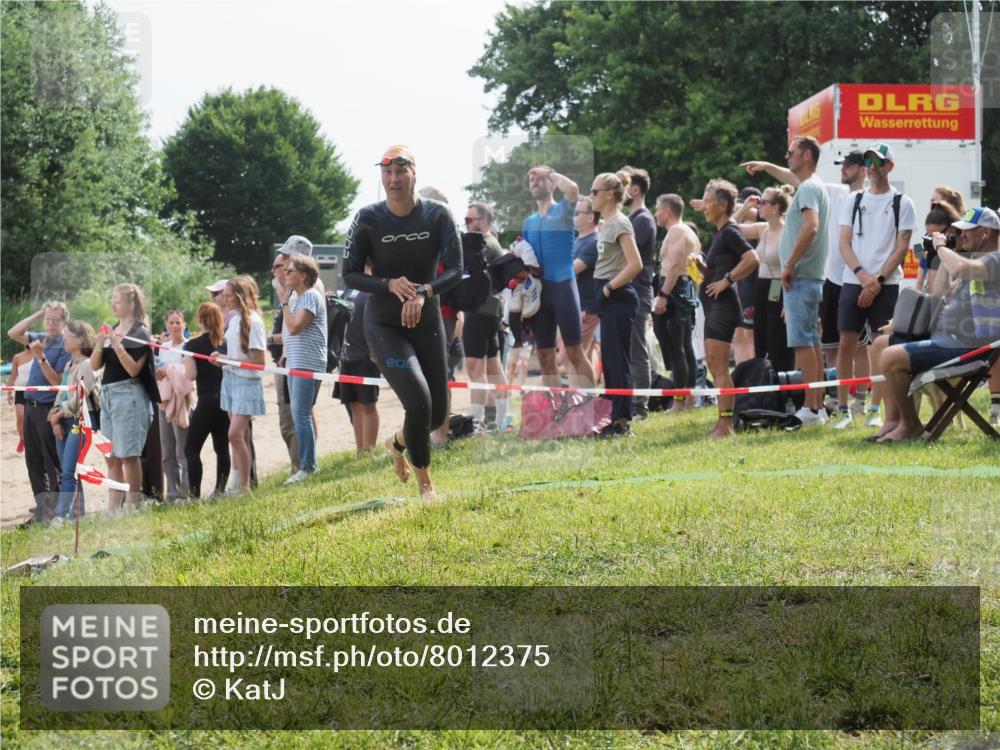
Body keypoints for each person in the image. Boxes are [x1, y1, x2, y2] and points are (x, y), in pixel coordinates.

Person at [341, 145, 462, 498]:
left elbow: (456, 270)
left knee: (437, 415)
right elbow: (349, 275)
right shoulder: (368, 218)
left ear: (414, 173)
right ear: (382, 177)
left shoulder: (438, 216)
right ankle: (426, 487)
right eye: (387, 172)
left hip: (426, 319)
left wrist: (423, 291)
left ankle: (397, 444)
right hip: (383, 323)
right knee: (419, 402)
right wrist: (388, 284)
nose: (393, 179)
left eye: (401, 171)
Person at [875, 206, 1000, 442]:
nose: (961, 236)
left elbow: (962, 268)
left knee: (890, 357)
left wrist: (942, 247)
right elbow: (939, 291)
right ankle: (894, 420)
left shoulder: (995, 259)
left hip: (969, 347)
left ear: (985, 232)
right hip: (945, 338)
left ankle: (911, 425)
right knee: (880, 345)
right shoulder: (973, 258)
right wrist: (943, 254)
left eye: (967, 232)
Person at [833, 143, 916, 429]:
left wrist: (877, 280)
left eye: (878, 162)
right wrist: (861, 275)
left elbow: (901, 246)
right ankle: (843, 409)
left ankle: (874, 408)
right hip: (853, 279)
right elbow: (844, 241)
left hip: (887, 283)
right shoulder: (854, 199)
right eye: (868, 162)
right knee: (846, 342)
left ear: (889, 166)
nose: (872, 167)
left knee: (880, 345)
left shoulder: (902, 202)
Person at [521, 164, 597, 389]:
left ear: (552, 183)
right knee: (544, 354)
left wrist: (549, 172)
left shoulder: (563, 210)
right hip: (540, 294)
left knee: (575, 352)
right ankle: (554, 414)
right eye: (531, 179)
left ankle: (588, 410)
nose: (534, 181)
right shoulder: (529, 223)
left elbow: (572, 189)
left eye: (540, 178)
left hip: (563, 287)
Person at [699, 179, 760, 438]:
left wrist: (727, 280)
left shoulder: (731, 231)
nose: (703, 207)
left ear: (722, 205)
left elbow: (752, 258)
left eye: (707, 202)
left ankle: (727, 426)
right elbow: (719, 269)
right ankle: (722, 422)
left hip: (724, 307)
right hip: (714, 306)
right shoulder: (719, 233)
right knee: (714, 365)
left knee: (719, 366)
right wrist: (703, 270)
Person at [90, 284, 159, 509]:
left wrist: (117, 343)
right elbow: (95, 366)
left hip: (129, 393)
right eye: (112, 299)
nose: (113, 304)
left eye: (117, 300)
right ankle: (113, 507)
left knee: (129, 454)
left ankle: (132, 505)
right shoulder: (114, 327)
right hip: (108, 394)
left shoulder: (140, 332)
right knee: (111, 457)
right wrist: (100, 344)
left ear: (131, 304)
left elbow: (133, 369)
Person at [7, 302, 73, 521]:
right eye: (48, 319)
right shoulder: (42, 337)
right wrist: (38, 314)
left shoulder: (65, 345)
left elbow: (57, 381)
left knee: (52, 462)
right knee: (33, 461)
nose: (51, 324)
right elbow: (13, 332)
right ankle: (42, 508)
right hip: (30, 407)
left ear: (65, 322)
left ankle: (56, 510)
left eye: (56, 320)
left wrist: (41, 357)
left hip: (48, 408)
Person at [590, 171, 644, 436]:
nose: (591, 197)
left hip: (619, 296)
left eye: (594, 191)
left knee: (618, 360)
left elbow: (636, 264)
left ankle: (623, 421)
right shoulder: (605, 224)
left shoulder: (620, 223)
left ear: (609, 194)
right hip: (606, 296)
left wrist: (610, 288)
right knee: (609, 362)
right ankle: (612, 419)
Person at [735, 186, 796, 373]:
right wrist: (745, 207)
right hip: (761, 286)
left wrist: (789, 303)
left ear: (776, 207)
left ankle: (782, 382)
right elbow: (730, 226)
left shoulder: (788, 231)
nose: (759, 206)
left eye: (764, 202)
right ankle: (763, 381)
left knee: (777, 338)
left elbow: (795, 267)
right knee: (759, 336)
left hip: (780, 285)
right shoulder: (763, 229)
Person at [278, 254, 327, 483]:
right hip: (295, 362)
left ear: (304, 275)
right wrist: (285, 354)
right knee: (298, 415)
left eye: (289, 270)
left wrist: (284, 303)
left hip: (308, 363)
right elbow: (290, 333)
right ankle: (306, 465)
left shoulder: (309, 296)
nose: (284, 274)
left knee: (301, 414)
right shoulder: (297, 298)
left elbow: (295, 327)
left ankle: (308, 467)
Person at [217, 275, 267, 495]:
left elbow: (259, 362)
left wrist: (228, 360)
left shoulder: (254, 321)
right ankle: (238, 482)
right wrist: (220, 358)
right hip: (230, 378)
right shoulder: (234, 319)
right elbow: (234, 353)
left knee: (234, 434)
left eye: (228, 296)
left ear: (239, 296)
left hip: (246, 382)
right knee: (241, 436)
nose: (225, 300)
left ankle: (245, 486)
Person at [462, 202, 509, 429]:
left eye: (470, 220)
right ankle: (500, 419)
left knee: (474, 367)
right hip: (490, 311)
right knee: (493, 367)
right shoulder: (493, 243)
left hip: (480, 311)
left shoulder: (485, 244)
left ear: (484, 221)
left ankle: (475, 421)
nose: (466, 225)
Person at [46, 320, 98, 523]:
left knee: (68, 471)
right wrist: (54, 417)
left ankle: (61, 516)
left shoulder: (87, 364)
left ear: (80, 339)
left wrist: (59, 414)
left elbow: (80, 399)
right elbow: (61, 394)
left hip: (80, 422)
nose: (64, 339)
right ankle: (79, 515)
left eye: (67, 335)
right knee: (71, 471)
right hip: (64, 421)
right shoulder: (69, 365)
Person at [652, 194, 700, 411]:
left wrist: (662, 294)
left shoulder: (678, 231)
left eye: (657, 209)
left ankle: (681, 401)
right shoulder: (688, 231)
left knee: (676, 347)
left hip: (674, 290)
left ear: (668, 211)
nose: (655, 214)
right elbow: (696, 271)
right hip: (683, 288)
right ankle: (689, 398)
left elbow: (672, 267)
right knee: (684, 347)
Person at [620, 165, 657, 418]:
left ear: (634, 189)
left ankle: (640, 406)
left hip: (638, 291)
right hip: (628, 291)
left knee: (637, 349)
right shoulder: (631, 219)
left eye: (622, 185)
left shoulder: (642, 220)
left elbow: (627, 257)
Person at [183, 302, 230, 498]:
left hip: (205, 402)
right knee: (222, 447)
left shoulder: (191, 345)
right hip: (225, 400)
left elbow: (191, 375)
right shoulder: (226, 344)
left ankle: (194, 495)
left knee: (191, 449)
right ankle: (219, 491)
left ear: (199, 320)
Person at [335, 286, 381, 454]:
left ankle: (369, 450)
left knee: (368, 404)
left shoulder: (372, 288)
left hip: (366, 356)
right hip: (347, 356)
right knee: (353, 404)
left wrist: (376, 350)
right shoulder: (348, 289)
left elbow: (378, 321)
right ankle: (360, 449)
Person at [155, 309, 191, 500]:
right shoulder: (163, 347)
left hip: (181, 401)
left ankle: (185, 493)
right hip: (164, 400)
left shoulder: (188, 346)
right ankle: (171, 492)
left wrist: (170, 370)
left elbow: (188, 374)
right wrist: (161, 372)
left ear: (184, 325)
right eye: (172, 323)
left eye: (179, 322)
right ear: (167, 326)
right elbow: (160, 368)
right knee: (166, 449)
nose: (175, 326)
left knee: (182, 449)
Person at [572, 196, 602, 378]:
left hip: (587, 307)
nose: (572, 217)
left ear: (591, 217)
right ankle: (584, 401)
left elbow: (571, 270)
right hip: (579, 305)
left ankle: (584, 401)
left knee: (576, 356)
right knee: (579, 355)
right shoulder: (579, 241)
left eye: (577, 213)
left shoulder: (594, 241)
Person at [6, 345, 33, 453]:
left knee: (32, 418)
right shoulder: (17, 357)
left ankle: (33, 441)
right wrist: (8, 392)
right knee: (20, 416)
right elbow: (13, 376)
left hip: (35, 391)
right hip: (20, 390)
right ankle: (22, 439)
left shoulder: (39, 354)